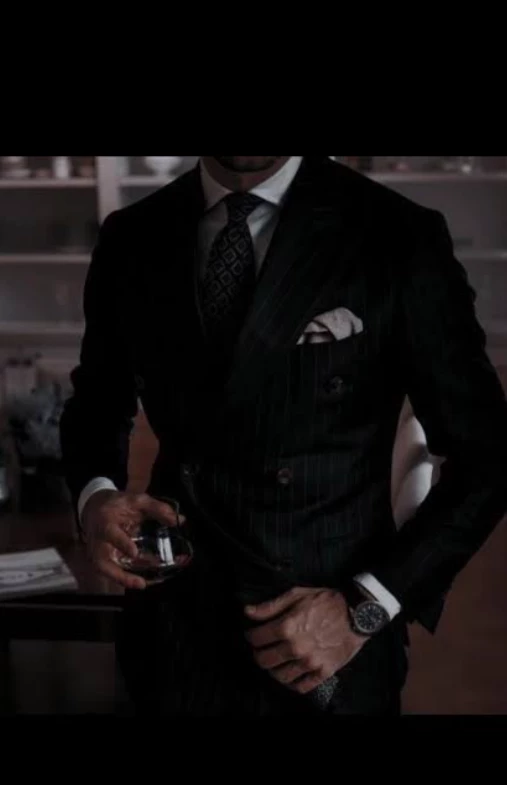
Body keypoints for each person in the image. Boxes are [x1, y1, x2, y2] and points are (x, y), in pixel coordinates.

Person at [60, 155, 507, 717]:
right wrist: (96, 497)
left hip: (324, 644)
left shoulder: (396, 234)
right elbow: (96, 404)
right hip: (171, 633)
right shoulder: (133, 234)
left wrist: (366, 607)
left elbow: (487, 457)